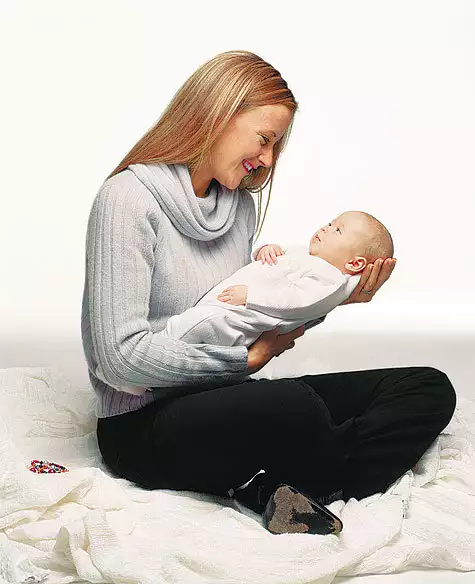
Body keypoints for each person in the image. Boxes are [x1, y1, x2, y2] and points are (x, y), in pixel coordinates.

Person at [82, 51, 456, 536]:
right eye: (265, 139)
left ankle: (281, 488)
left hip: (225, 401)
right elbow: (119, 360)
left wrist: (334, 297)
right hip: (143, 426)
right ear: (216, 115)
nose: (268, 160)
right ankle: (303, 472)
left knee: (426, 387)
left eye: (276, 145)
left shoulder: (237, 206)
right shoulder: (127, 199)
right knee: (295, 405)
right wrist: (243, 363)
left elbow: (256, 313)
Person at [151, 211, 394, 350]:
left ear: (355, 264)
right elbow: (275, 262)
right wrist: (266, 250)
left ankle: (150, 366)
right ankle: (154, 362)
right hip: (229, 304)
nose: (325, 228)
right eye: (330, 223)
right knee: (189, 324)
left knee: (196, 324)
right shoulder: (309, 257)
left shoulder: (329, 279)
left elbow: (294, 302)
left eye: (337, 230)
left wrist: (250, 297)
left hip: (239, 319)